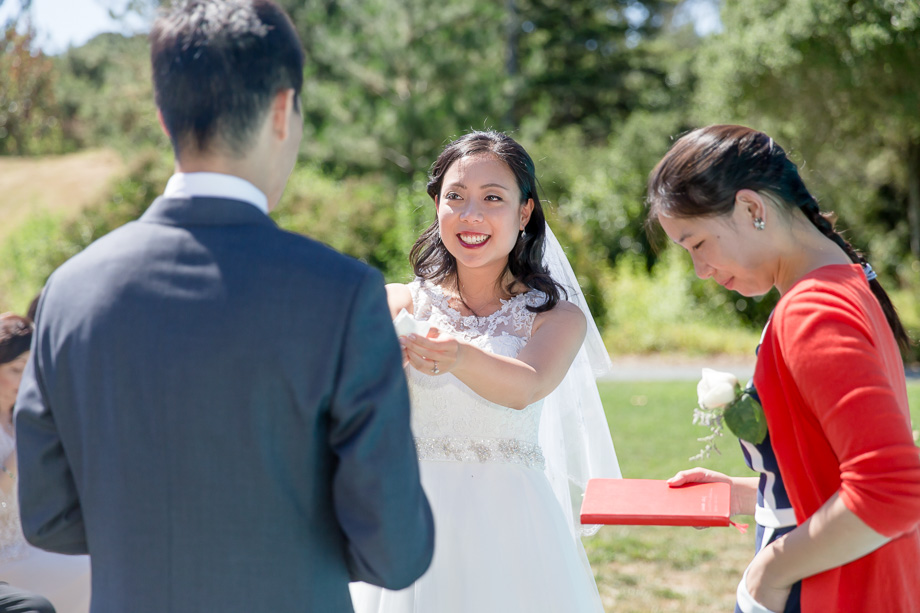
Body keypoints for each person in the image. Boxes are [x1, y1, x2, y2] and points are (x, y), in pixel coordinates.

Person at [13, 2, 434, 612]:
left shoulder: (68, 292)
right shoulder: (341, 294)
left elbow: (47, 516)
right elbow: (396, 550)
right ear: (283, 108)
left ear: (163, 116)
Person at [647, 125, 920, 612]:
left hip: (833, 589)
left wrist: (769, 573)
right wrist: (744, 493)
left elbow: (890, 490)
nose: (700, 270)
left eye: (697, 244)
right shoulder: (846, 286)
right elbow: (835, 475)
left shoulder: (813, 310)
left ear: (752, 209)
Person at [350, 130, 621, 613]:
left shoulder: (557, 318)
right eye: (455, 196)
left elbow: (527, 384)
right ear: (437, 206)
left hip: (512, 526)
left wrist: (459, 357)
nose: (471, 215)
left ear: (524, 213)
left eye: (492, 198)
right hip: (409, 517)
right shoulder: (394, 301)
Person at [1, 313, 88, 613]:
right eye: (15, 369)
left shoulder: (21, 419)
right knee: (88, 568)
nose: (24, 381)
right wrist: (19, 455)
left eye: (30, 370)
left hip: (38, 537)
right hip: (8, 554)